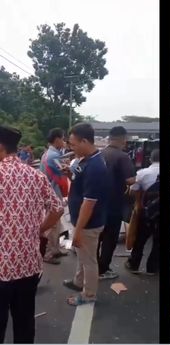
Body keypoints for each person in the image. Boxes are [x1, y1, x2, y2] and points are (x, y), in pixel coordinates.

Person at [0, 125, 63, 343]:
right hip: (28, 264)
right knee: (25, 321)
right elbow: (58, 208)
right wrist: (39, 229)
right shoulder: (35, 176)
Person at [63, 123, 109, 306]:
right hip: (82, 221)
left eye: (73, 144)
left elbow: (89, 203)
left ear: (84, 141)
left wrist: (79, 231)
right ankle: (78, 282)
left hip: (89, 223)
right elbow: (79, 185)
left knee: (89, 260)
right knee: (83, 256)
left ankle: (89, 295)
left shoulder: (96, 166)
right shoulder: (85, 160)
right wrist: (69, 174)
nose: (71, 148)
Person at [98, 126, 135, 280]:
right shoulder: (122, 157)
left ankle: (93, 267)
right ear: (122, 139)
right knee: (109, 238)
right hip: (114, 204)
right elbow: (130, 180)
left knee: (97, 236)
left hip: (97, 203)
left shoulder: (100, 154)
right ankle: (103, 269)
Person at [125, 149, 160, 275]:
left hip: (146, 211)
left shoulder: (143, 173)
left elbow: (134, 190)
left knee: (140, 238)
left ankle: (134, 264)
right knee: (158, 241)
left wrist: (138, 205)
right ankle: (152, 268)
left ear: (150, 159)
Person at [40, 128, 68, 264]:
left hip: (48, 194)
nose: (64, 141)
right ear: (57, 139)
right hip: (52, 195)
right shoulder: (53, 156)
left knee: (56, 225)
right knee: (52, 225)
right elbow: (66, 171)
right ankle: (49, 253)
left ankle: (55, 249)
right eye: (63, 138)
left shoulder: (48, 154)